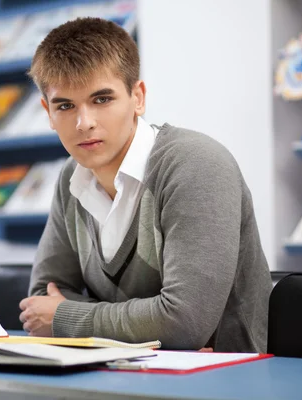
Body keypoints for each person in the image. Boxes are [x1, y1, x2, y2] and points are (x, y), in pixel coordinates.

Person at [18, 17, 272, 353]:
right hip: (121, 375)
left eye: (102, 99)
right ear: (47, 113)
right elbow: (40, 304)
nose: (84, 123)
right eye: (65, 106)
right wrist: (148, 330)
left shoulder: (195, 164)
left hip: (229, 380)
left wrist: (68, 317)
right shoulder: (71, 177)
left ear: (138, 97)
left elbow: (185, 323)